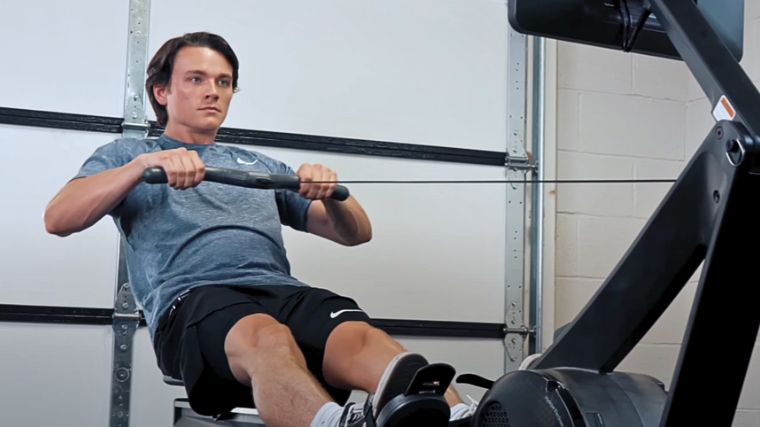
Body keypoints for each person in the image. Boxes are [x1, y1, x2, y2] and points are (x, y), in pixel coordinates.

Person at [44, 32, 475, 427]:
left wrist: (332, 192)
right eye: (196, 79)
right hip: (192, 301)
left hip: (279, 292)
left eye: (224, 81)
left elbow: (356, 233)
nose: (212, 91)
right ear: (162, 91)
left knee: (361, 337)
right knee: (266, 334)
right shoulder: (129, 153)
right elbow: (58, 219)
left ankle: (461, 416)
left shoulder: (260, 164)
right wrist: (142, 167)